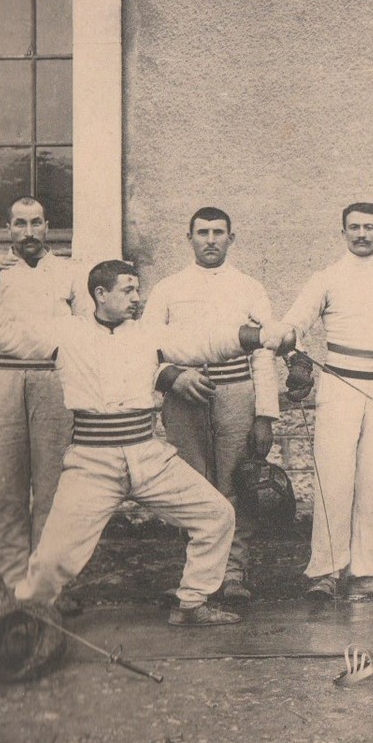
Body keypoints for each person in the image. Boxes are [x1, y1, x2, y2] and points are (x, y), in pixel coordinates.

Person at [0, 254, 295, 626]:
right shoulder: (66, 332)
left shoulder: (146, 334)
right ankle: (24, 616)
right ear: (100, 294)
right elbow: (0, 333)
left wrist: (258, 337)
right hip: (92, 461)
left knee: (217, 515)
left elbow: (204, 342)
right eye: (127, 291)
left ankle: (191, 603)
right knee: (53, 557)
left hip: (147, 454)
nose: (136, 297)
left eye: (138, 289)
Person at [280, 202, 373, 600]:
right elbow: (293, 324)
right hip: (340, 385)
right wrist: (295, 358)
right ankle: (324, 571)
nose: (361, 234)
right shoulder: (327, 278)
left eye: (369, 227)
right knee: (334, 477)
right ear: (342, 232)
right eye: (354, 227)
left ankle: (365, 572)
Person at [145, 207, 280, 605]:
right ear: (189, 238)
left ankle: (234, 572)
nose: (210, 240)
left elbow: (264, 352)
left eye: (218, 232)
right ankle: (196, 575)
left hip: (236, 390)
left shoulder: (249, 287)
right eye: (202, 232)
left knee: (234, 483)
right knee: (192, 486)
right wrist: (172, 376)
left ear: (231, 238)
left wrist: (265, 414)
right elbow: (146, 345)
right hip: (184, 395)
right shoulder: (167, 289)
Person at [0, 197, 79, 609]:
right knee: (6, 493)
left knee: (54, 492)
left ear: (48, 226)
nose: (28, 233)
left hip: (53, 383)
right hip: (3, 383)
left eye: (36, 223)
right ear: (7, 228)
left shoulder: (68, 275)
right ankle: (15, 586)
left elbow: (84, 343)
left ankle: (48, 587)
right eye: (19, 224)